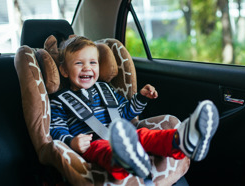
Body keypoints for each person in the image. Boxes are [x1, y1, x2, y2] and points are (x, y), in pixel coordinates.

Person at [50, 36, 219, 180]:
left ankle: (181, 141)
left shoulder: (106, 89)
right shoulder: (60, 101)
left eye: (93, 62)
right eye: (79, 63)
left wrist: (141, 98)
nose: (87, 68)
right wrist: (72, 142)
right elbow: (56, 129)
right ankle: (125, 161)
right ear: (64, 70)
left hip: (123, 137)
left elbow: (125, 113)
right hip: (91, 145)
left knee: (144, 135)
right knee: (105, 149)